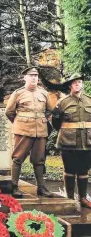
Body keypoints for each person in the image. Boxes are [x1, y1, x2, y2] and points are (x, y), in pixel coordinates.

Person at [5, 66, 54, 198]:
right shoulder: (18, 93)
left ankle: (41, 187)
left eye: (36, 76)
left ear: (38, 78)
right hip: (23, 130)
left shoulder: (44, 93)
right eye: (31, 76)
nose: (33, 78)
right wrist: (20, 122)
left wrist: (40, 120)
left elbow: (49, 110)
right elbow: (9, 112)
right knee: (18, 158)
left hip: (40, 130)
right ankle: (14, 186)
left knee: (39, 160)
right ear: (25, 78)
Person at [52, 73, 91, 208]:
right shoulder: (63, 102)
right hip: (68, 142)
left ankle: (83, 198)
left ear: (82, 84)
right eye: (74, 83)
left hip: (87, 142)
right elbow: (55, 122)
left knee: (83, 170)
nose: (77, 84)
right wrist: (68, 132)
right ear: (70, 85)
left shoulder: (89, 100)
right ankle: (69, 199)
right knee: (69, 170)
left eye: (79, 82)